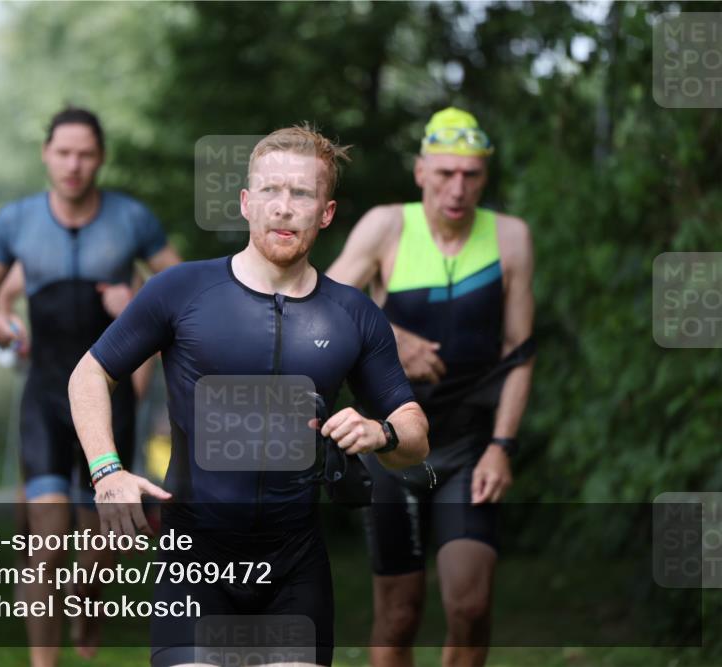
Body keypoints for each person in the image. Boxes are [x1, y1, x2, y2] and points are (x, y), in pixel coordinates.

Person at [68, 125, 430, 667]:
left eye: (302, 194)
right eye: (270, 191)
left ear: (326, 213)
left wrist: (382, 433)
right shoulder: (182, 290)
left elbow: (417, 437)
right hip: (195, 562)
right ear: (245, 202)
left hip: (295, 567)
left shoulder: (352, 313)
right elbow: (89, 374)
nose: (284, 208)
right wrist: (106, 470)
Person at [0, 106, 181, 667]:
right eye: (63, 152)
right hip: (45, 398)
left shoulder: (132, 219)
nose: (74, 165)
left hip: (109, 405)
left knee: (104, 548)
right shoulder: (16, 221)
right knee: (48, 540)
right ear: (46, 153)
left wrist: (135, 305)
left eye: (85, 154)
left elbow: (181, 287)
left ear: (100, 157)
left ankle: (87, 601)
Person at [326, 107, 536, 667]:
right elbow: (324, 305)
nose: (457, 188)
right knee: (399, 614)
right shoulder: (387, 226)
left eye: (470, 174)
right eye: (445, 173)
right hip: (391, 444)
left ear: (485, 177)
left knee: (469, 605)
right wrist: (395, 336)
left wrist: (502, 445)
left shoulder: (511, 238)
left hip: (469, 448)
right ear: (421, 172)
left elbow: (520, 353)